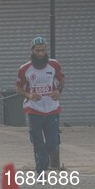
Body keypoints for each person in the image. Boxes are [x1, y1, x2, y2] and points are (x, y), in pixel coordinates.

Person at [16, 37, 65, 173]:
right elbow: (19, 88)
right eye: (37, 51)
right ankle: (41, 171)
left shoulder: (54, 65)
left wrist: (58, 91)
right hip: (34, 109)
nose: (40, 53)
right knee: (37, 142)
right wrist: (29, 95)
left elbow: (62, 81)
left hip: (52, 109)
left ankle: (46, 160)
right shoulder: (25, 69)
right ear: (32, 51)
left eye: (43, 50)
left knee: (52, 144)